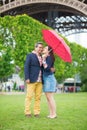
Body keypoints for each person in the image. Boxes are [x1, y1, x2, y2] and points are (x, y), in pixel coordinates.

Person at [24, 42, 43, 118]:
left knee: (38, 97)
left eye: (42, 48)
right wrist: (27, 77)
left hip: (40, 80)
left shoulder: (42, 57)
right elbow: (26, 66)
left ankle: (36, 112)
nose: (40, 49)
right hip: (31, 79)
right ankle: (27, 112)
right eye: (39, 47)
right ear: (35, 47)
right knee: (29, 96)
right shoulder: (30, 55)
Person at [42, 46, 57, 119]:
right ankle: (51, 113)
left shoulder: (49, 58)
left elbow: (47, 68)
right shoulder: (46, 57)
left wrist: (44, 60)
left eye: (45, 48)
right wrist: (43, 58)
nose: (43, 49)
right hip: (46, 78)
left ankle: (54, 114)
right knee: (48, 98)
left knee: (50, 97)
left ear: (48, 51)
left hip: (49, 78)